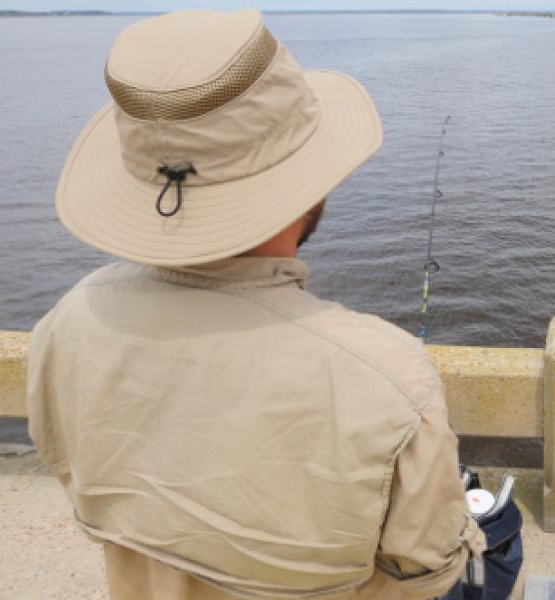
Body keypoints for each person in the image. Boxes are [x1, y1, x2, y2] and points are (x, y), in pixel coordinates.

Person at [27, 10, 483, 599]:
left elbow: (71, 474)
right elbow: (428, 570)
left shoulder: (66, 322)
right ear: (312, 177)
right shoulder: (390, 375)